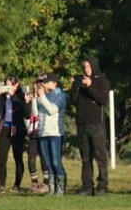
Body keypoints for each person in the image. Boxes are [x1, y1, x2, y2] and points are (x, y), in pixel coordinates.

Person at [70, 57, 111, 196]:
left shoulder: (102, 81)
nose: (86, 69)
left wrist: (89, 86)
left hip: (96, 124)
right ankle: (87, 186)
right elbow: (73, 101)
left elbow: (102, 99)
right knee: (85, 157)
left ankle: (102, 185)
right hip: (82, 123)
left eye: (88, 66)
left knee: (100, 156)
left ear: (93, 66)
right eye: (84, 67)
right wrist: (75, 86)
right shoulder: (80, 82)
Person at [32, 73, 68, 195]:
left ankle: (61, 189)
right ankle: (51, 188)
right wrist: (34, 99)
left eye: (46, 82)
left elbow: (52, 110)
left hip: (55, 132)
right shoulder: (43, 96)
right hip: (43, 132)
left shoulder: (60, 95)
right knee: (47, 162)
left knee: (55, 161)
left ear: (54, 83)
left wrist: (42, 96)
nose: (44, 84)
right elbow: (35, 113)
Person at [0, 75, 27, 193]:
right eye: (6, 84)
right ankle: (1, 185)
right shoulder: (2, 96)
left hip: (17, 129)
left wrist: (13, 96)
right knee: (2, 158)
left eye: (10, 85)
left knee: (18, 157)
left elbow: (23, 111)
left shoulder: (21, 95)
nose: (8, 87)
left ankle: (17, 185)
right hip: (5, 129)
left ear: (16, 85)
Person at [24, 75, 50, 194]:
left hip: (43, 132)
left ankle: (46, 183)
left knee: (45, 159)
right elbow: (28, 114)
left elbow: (38, 113)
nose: (37, 86)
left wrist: (37, 99)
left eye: (40, 84)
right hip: (33, 133)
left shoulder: (47, 99)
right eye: (36, 84)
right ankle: (34, 182)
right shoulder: (32, 98)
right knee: (31, 159)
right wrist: (27, 102)